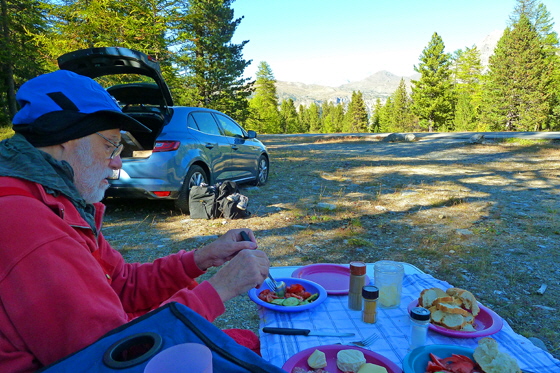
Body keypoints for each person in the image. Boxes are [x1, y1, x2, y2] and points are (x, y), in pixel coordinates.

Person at [0, 70, 271, 372]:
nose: (117, 161)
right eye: (110, 145)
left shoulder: (58, 202)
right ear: (64, 137)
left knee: (248, 342)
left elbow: (123, 283)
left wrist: (203, 257)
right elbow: (117, 358)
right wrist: (220, 289)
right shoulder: (28, 224)